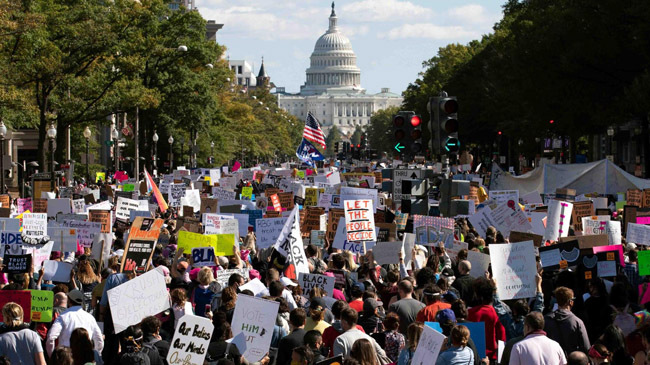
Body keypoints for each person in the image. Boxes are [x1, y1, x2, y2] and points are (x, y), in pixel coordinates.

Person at [46, 290, 104, 357]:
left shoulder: (63, 316)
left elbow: (51, 337)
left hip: (66, 357)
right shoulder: (90, 318)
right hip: (84, 357)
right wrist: (95, 355)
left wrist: (52, 356)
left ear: (69, 301)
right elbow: (99, 340)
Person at [544, 286, 590, 354]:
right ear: (571, 302)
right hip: (571, 359)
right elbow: (586, 347)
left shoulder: (546, 319)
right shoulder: (577, 322)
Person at [468, 277, 505, 362]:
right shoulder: (495, 312)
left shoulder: (470, 313)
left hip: (475, 355)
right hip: (492, 355)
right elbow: (501, 333)